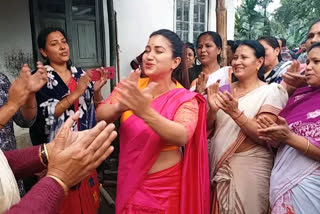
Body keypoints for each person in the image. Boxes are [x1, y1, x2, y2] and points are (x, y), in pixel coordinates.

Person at [96, 29, 210, 214]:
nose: (149, 56)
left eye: (158, 51)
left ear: (175, 62)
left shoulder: (184, 97)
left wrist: (145, 112)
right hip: (129, 182)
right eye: (147, 50)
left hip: (165, 189)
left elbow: (182, 135)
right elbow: (100, 114)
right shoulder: (131, 87)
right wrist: (120, 106)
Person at [29, 27, 108, 214]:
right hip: (56, 153)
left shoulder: (80, 74)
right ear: (44, 52)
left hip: (84, 148)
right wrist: (77, 92)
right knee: (63, 204)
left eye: (64, 41)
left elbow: (91, 110)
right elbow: (45, 115)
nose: (62, 47)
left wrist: (96, 91)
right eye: (54, 44)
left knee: (88, 203)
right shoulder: (40, 79)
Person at [207, 40, 288, 214]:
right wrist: (212, 111)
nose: (237, 62)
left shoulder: (271, 91)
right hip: (219, 163)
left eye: (244, 57)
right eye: (235, 57)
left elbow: (264, 134)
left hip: (251, 166)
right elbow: (208, 131)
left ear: (259, 62)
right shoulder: (223, 90)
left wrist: (235, 113)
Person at [258, 42, 320, 213]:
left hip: (311, 188)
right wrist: (276, 137)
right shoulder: (300, 95)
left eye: (317, 62)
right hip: (284, 182)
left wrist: (289, 138)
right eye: (308, 62)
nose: (308, 67)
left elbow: (291, 138)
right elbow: (284, 139)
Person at [0, 63, 47, 195]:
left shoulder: (1, 80)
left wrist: (30, 95)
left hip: (9, 175)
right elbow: (12, 106)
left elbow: (24, 120)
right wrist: (12, 105)